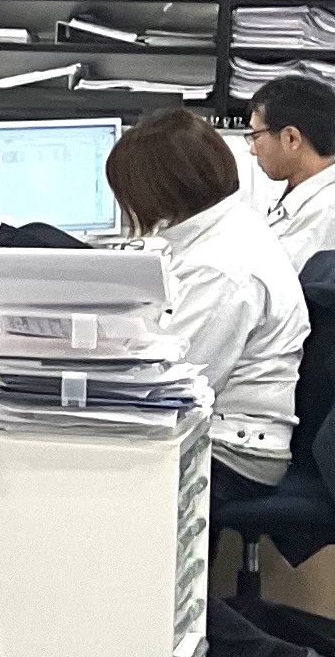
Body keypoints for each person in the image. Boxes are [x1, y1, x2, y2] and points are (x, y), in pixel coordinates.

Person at [108, 109, 306, 483]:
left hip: (233, 453)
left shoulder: (221, 268)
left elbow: (169, 383)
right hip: (211, 429)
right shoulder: (227, 225)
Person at [245, 73, 335, 263]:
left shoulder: (333, 215)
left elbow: (272, 278)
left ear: (291, 139)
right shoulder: (298, 183)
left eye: (256, 136)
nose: (252, 150)